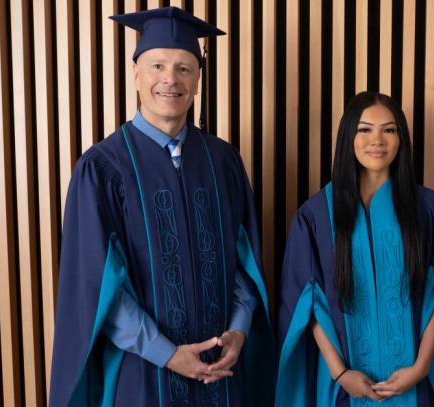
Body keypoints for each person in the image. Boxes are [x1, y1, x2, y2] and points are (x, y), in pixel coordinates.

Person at [49, 7, 273, 406]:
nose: (170, 79)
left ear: (199, 80)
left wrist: (238, 331)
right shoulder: (102, 169)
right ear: (136, 74)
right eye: (157, 66)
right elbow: (97, 286)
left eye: (185, 68)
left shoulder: (223, 162)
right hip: (142, 377)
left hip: (221, 375)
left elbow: (245, 263)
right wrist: (168, 354)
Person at [276, 91, 434, 406]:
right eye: (364, 129)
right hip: (345, 386)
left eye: (389, 130)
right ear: (348, 137)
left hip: (414, 382)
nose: (377, 140)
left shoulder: (427, 209)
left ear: (401, 139)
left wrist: (421, 367)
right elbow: (307, 304)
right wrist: (341, 374)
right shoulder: (316, 216)